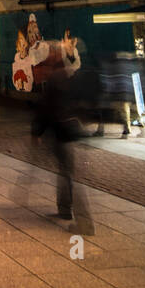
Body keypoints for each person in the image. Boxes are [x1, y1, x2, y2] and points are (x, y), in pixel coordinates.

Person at [31, 67, 93, 231]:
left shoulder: (54, 84)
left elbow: (44, 109)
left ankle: (82, 220)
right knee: (70, 173)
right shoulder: (76, 82)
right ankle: (66, 209)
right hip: (76, 132)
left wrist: (37, 132)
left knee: (68, 174)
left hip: (62, 133)